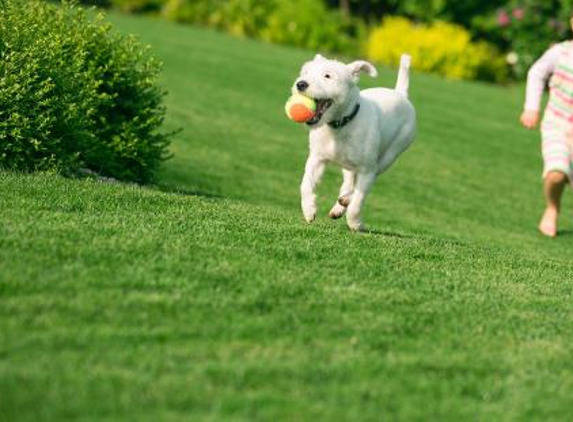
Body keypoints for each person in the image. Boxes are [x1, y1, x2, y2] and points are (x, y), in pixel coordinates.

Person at [521, 21, 573, 237]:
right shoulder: (560, 53)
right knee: (556, 173)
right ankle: (552, 208)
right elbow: (536, 73)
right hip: (557, 125)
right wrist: (532, 108)